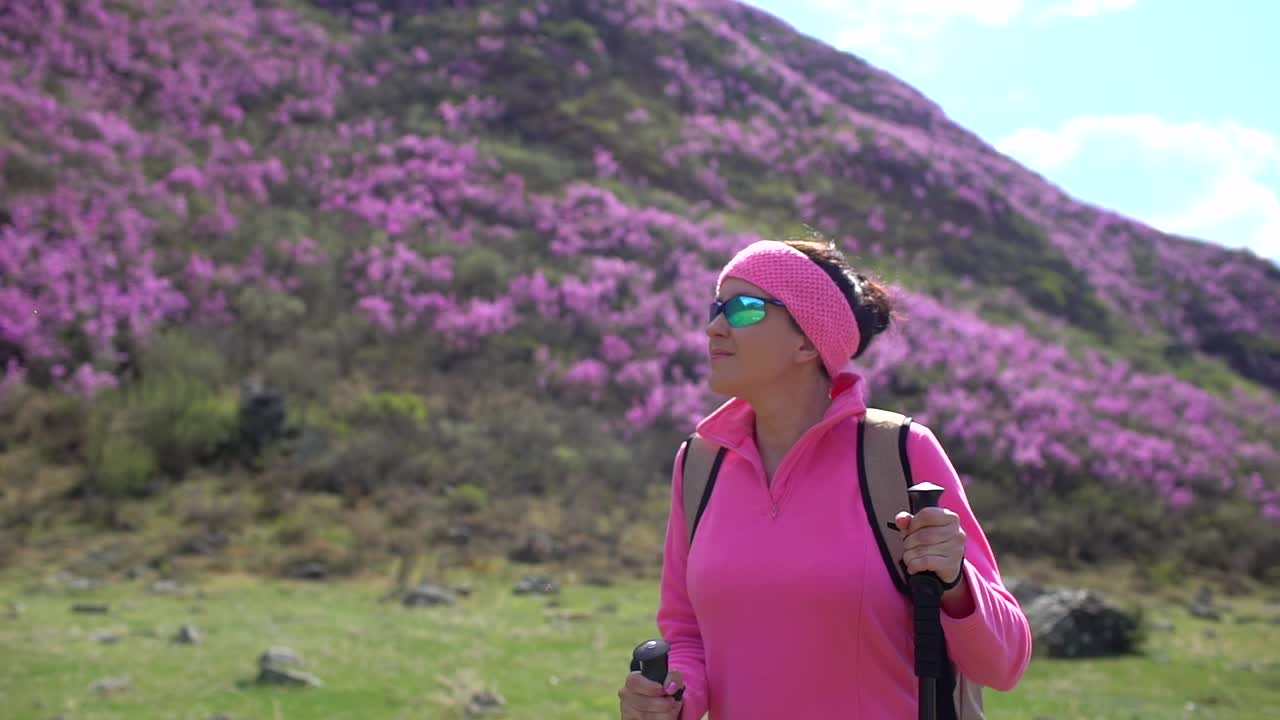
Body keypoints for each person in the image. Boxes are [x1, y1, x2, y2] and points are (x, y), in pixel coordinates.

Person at [617, 238, 1033, 719]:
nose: (714, 327)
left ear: (807, 340)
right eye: (715, 308)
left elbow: (1005, 663)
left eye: (744, 309)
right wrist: (669, 698)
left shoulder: (899, 453)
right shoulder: (699, 464)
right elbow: (687, 635)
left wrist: (957, 581)